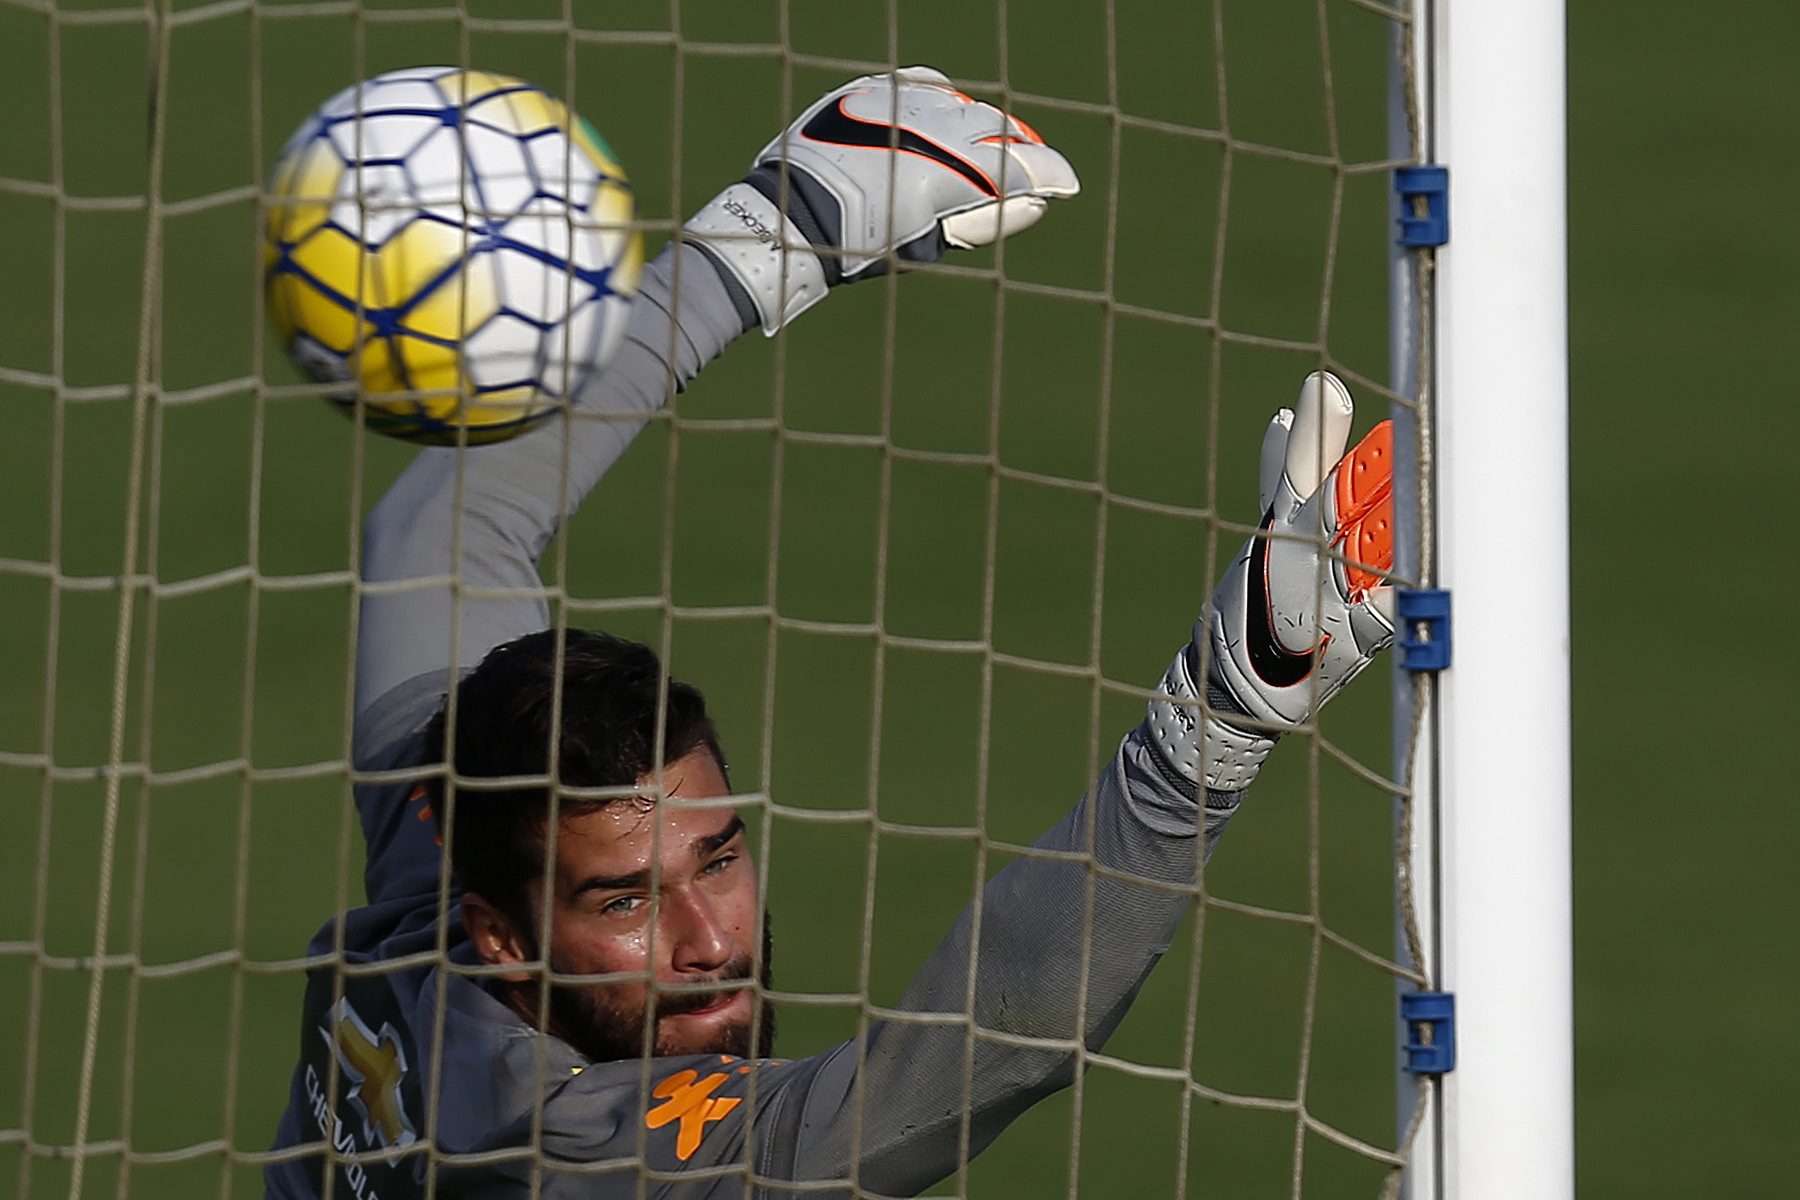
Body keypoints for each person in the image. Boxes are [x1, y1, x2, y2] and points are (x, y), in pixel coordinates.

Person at [266, 66, 1397, 1200]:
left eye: (717, 856)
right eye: (625, 902)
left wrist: (776, 233)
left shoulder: (441, 887)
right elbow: (966, 1062)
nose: (708, 938)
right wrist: (1224, 709)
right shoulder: (551, 1145)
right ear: (503, 937)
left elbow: (437, 529)